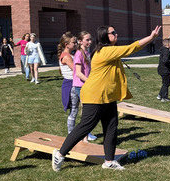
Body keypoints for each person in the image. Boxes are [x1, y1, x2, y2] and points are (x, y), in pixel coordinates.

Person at [52, 24, 162, 172]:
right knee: (86, 126)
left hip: (107, 96)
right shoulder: (105, 51)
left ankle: (109, 161)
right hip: (95, 95)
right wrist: (151, 37)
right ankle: (59, 154)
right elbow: (131, 48)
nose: (116, 34)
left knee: (111, 126)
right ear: (105, 36)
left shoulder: (108, 51)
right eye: (113, 32)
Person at [72, 31, 97, 141]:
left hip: (87, 85)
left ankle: (86, 134)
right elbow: (78, 73)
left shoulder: (87, 52)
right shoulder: (79, 53)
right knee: (86, 110)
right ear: (80, 41)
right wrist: (89, 82)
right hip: (81, 85)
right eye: (87, 40)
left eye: (90, 39)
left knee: (88, 110)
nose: (90, 42)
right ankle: (84, 136)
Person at [58, 33, 79, 132]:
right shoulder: (66, 56)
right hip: (71, 85)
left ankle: (85, 133)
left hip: (74, 83)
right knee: (74, 110)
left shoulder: (70, 55)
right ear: (67, 44)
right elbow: (76, 71)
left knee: (78, 109)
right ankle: (71, 133)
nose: (76, 44)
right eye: (74, 42)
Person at [156, 38, 170, 102]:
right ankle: (164, 97)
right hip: (164, 70)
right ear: (168, 44)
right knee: (166, 83)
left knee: (164, 83)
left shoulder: (163, 50)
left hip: (162, 69)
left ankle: (160, 95)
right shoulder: (166, 51)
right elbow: (165, 60)